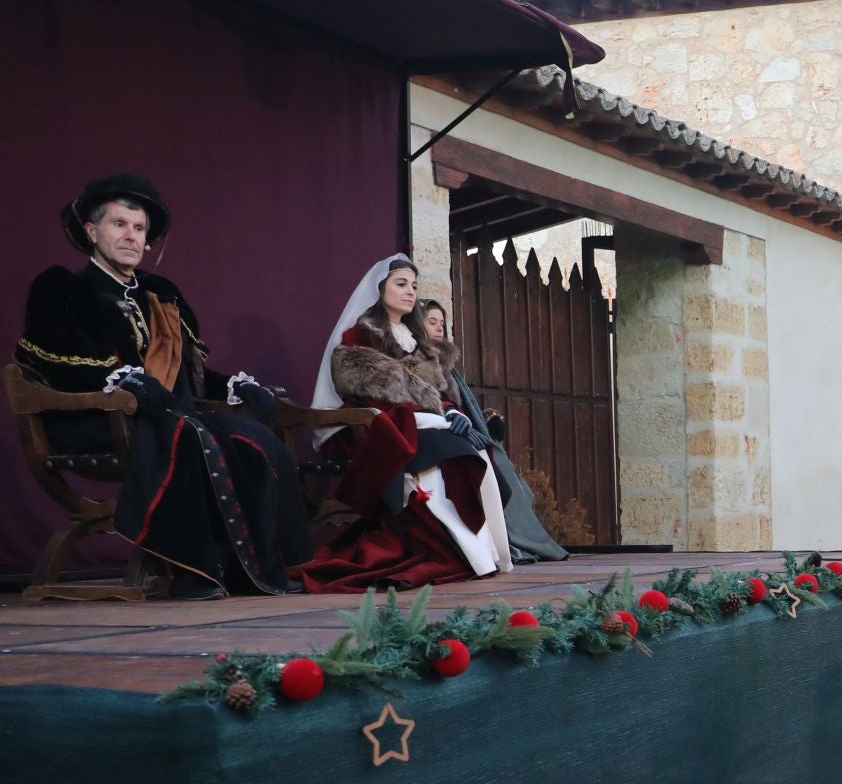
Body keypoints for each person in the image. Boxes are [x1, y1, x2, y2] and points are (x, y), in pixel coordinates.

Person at [16, 173, 311, 598]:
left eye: (139, 229)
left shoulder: (160, 295)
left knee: (254, 436)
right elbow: (61, 365)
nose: (131, 236)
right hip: (97, 421)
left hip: (169, 418)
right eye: (119, 224)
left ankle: (253, 571)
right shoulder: (64, 290)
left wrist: (234, 387)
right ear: (91, 230)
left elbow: (186, 373)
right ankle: (195, 572)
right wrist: (122, 382)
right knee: (189, 433)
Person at [297, 256, 513, 591]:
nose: (410, 292)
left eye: (414, 285)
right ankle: (450, 551)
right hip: (379, 427)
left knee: (472, 446)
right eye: (401, 284)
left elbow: (441, 395)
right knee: (445, 449)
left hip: (424, 422)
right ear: (380, 288)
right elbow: (372, 397)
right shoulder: (361, 335)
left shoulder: (419, 342)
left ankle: (484, 552)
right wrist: (431, 416)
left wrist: (453, 414)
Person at [415, 298, 567, 565]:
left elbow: (461, 404)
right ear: (418, 324)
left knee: (503, 468)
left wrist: (481, 421)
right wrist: (452, 418)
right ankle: (497, 542)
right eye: (432, 322)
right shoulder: (417, 361)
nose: (439, 328)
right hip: (436, 435)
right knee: (486, 464)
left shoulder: (448, 366)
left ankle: (518, 540)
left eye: (442, 323)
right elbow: (427, 402)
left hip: (461, 429)